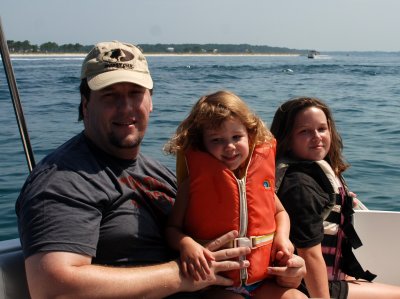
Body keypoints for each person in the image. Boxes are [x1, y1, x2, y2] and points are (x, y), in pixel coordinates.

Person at [15, 41, 306, 298]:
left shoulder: (156, 171)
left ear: (150, 101)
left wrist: (285, 269)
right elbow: (52, 288)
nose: (126, 106)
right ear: (85, 104)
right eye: (109, 95)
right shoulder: (64, 180)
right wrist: (180, 276)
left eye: (135, 93)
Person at [164, 91, 307, 299]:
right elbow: (171, 229)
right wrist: (187, 244)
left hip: (261, 279)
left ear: (249, 135)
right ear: (201, 143)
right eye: (216, 140)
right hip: (217, 284)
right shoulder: (192, 185)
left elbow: (281, 213)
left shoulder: (261, 180)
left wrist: (283, 238)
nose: (229, 147)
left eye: (236, 137)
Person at [270, 96, 400, 299]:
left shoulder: (312, 175)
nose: (316, 137)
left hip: (331, 275)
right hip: (311, 285)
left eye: (322, 129)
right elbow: (309, 255)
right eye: (304, 131)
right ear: (287, 139)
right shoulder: (299, 187)